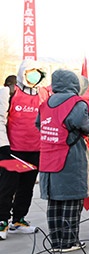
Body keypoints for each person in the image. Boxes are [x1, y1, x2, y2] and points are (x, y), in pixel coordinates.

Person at [37, 70, 89, 252]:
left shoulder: (46, 103)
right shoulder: (76, 103)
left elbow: (38, 124)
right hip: (70, 158)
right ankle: (69, 242)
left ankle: (56, 242)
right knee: (72, 200)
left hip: (48, 157)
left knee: (54, 202)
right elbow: (82, 124)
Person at [0, 60, 50, 239]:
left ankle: (19, 219)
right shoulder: (8, 92)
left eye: (37, 72)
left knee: (27, 187)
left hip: (35, 149)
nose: (34, 76)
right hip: (12, 149)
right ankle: (2, 221)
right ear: (23, 72)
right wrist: (3, 145)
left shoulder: (43, 94)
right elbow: (0, 118)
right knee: (7, 186)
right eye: (30, 72)